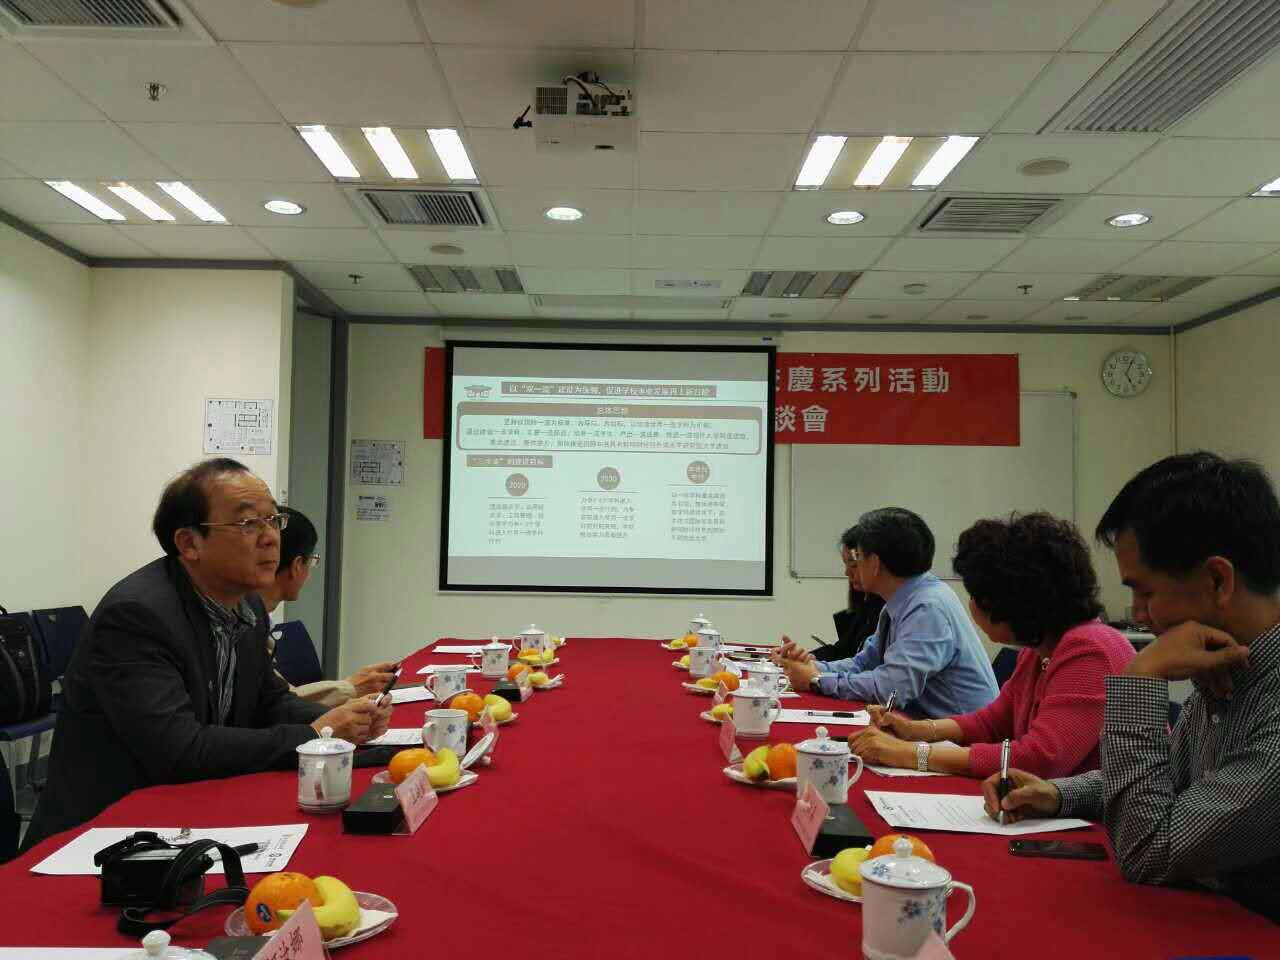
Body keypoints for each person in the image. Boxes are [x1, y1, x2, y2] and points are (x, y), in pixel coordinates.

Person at [26, 459, 392, 845]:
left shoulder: (247, 606)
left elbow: (269, 703)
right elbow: (179, 749)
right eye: (248, 523)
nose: (270, 538)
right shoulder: (137, 616)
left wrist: (350, 721)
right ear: (189, 543)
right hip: (106, 836)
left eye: (273, 520)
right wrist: (315, 733)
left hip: (193, 811)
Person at [982, 453, 1280, 924]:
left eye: (1145, 592)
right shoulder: (1228, 666)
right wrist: (1058, 794)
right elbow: (1174, 780)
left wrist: (1138, 681)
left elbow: (1148, 849)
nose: (1138, 615)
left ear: (1218, 579)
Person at [849, 512, 1135, 777]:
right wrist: (916, 730)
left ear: (1008, 601)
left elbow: (1040, 758)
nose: (971, 604)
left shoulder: (1089, 651)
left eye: (975, 594)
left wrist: (911, 754)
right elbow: (993, 722)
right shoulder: (1039, 649)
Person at [775, 508, 998, 720]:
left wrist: (816, 680)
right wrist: (811, 668)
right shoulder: (903, 598)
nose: (849, 569)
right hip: (926, 726)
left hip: (962, 738)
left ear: (874, 563)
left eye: (858, 556)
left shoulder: (927, 607)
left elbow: (891, 689)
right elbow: (864, 662)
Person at [259, 506, 397, 708]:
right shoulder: (243, 628)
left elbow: (278, 695)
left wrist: (351, 685)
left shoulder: (256, 619)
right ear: (297, 565)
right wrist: (351, 687)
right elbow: (276, 704)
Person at [811, 525, 887, 662]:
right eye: (846, 564)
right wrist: (807, 659)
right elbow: (846, 653)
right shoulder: (867, 604)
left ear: (876, 563)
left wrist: (813, 669)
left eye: (854, 565)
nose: (847, 573)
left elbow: (868, 668)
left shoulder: (896, 609)